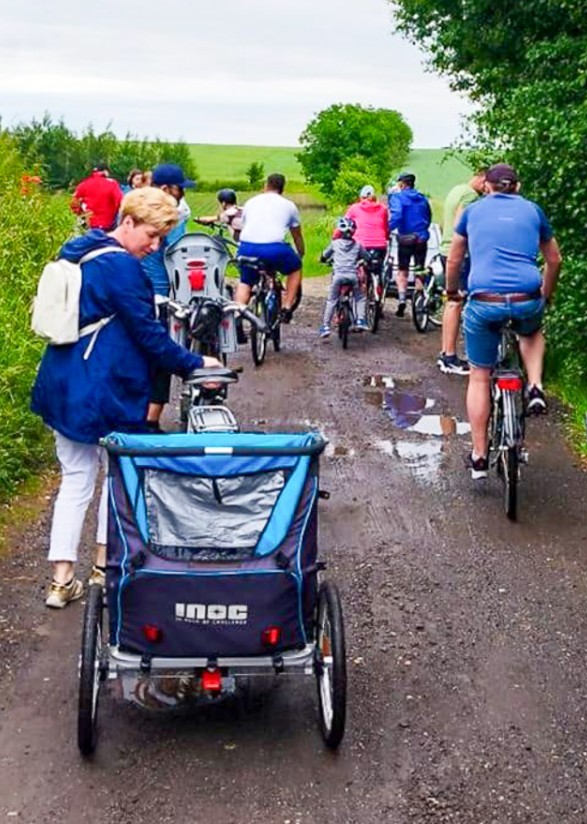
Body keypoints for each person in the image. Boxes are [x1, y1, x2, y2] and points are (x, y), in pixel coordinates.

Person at [29, 187, 221, 609]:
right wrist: (195, 364)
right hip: (104, 385)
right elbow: (149, 336)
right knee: (116, 476)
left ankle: (61, 582)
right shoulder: (123, 269)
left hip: (64, 378)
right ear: (128, 222)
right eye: (150, 236)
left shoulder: (81, 249)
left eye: (160, 240)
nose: (153, 247)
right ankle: (103, 567)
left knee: (75, 479)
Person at [444, 163, 561, 478]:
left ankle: (480, 455)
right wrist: (545, 294)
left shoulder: (471, 213)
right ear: (517, 187)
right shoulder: (534, 211)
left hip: (484, 302)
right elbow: (554, 260)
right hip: (525, 298)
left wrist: (452, 292)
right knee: (532, 331)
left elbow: (454, 258)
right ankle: (535, 387)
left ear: (487, 186)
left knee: (480, 376)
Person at [140, 163, 192, 427]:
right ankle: (150, 420)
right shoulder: (168, 216)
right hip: (159, 294)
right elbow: (178, 254)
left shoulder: (135, 208)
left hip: (132, 291)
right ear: (165, 189)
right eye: (180, 188)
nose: (182, 193)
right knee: (160, 355)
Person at [436, 168, 489, 375]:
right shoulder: (469, 196)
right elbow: (461, 224)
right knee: (457, 302)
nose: (486, 189)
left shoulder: (457, 189)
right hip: (460, 254)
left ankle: (446, 353)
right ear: (481, 177)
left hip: (445, 250)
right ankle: (451, 356)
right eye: (486, 184)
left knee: (453, 302)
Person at [234, 172, 307, 318]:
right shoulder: (289, 205)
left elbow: (244, 226)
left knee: (246, 281)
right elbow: (296, 235)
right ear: (282, 188)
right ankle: (286, 307)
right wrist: (300, 252)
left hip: (247, 248)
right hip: (274, 249)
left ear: (265, 185)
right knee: (295, 268)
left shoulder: (251, 202)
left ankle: (238, 313)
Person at [387, 172, 434, 318]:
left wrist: (387, 228)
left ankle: (402, 299)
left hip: (405, 238)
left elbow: (397, 215)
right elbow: (428, 216)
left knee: (403, 270)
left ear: (402, 184)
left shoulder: (398, 197)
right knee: (420, 268)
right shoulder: (422, 199)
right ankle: (420, 297)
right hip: (421, 238)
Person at [318, 216, 367, 337]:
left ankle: (325, 326)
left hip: (338, 276)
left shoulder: (334, 244)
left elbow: (324, 255)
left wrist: (323, 259)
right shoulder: (357, 246)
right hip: (352, 276)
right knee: (359, 297)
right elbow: (367, 257)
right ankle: (360, 319)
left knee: (332, 300)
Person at [343, 185, 391, 304]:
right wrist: (385, 237)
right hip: (379, 245)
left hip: (360, 244)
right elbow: (386, 228)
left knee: (353, 267)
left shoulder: (354, 208)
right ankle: (378, 291)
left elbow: (344, 225)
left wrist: (338, 238)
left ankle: (352, 291)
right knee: (377, 269)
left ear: (361, 197)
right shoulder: (383, 209)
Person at [71, 162, 123, 232]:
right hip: (106, 225)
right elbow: (120, 201)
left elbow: (74, 203)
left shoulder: (83, 184)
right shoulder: (112, 183)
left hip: (87, 225)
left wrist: (81, 214)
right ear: (105, 171)